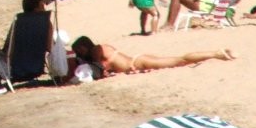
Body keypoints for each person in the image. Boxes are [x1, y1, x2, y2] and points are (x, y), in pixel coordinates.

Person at [71, 35, 235, 78]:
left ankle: (216, 53)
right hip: (139, 60)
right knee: (178, 60)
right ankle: (216, 53)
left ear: (85, 46)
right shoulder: (103, 47)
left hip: (139, 64)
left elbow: (101, 71)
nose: (80, 53)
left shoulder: (95, 51)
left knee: (179, 60)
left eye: (79, 50)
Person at [0, 0, 54, 88]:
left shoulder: (18, 23)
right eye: (41, 7)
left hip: (14, 71)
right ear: (35, 9)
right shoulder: (46, 24)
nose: (44, 10)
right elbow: (49, 48)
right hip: (36, 67)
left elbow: (10, 50)